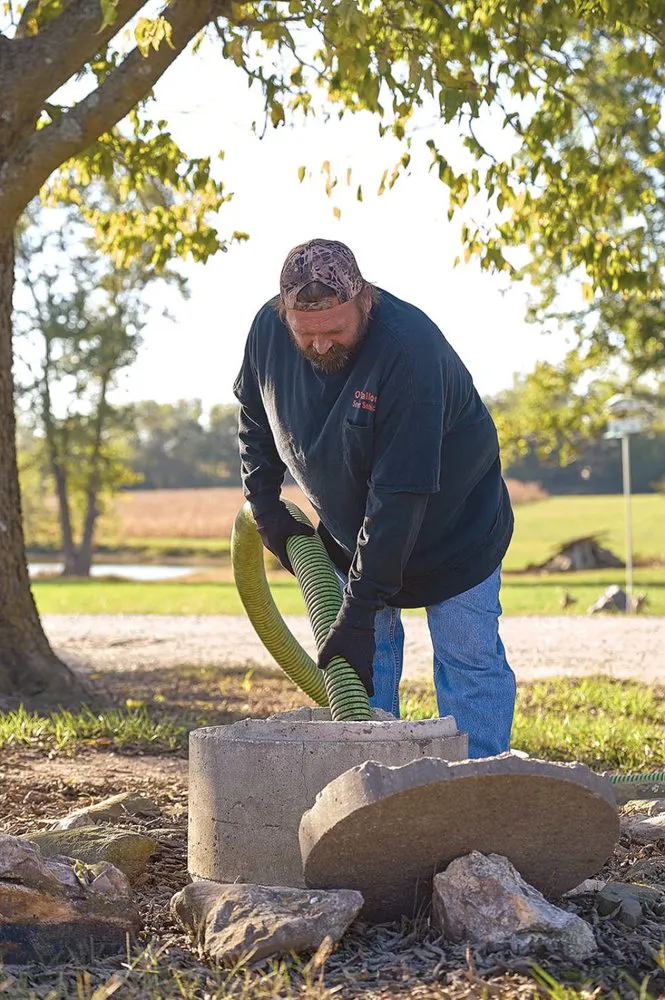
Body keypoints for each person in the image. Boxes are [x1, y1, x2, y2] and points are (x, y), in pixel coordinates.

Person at [233, 238, 516, 758]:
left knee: (466, 656)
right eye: (305, 333)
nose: (320, 346)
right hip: (351, 529)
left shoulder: (409, 352)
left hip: (455, 529)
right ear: (284, 314)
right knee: (366, 662)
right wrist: (265, 504)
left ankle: (482, 784)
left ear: (364, 299)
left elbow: (399, 497)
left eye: (335, 331)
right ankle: (375, 788)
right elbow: (255, 413)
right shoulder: (266, 332)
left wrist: (358, 613)